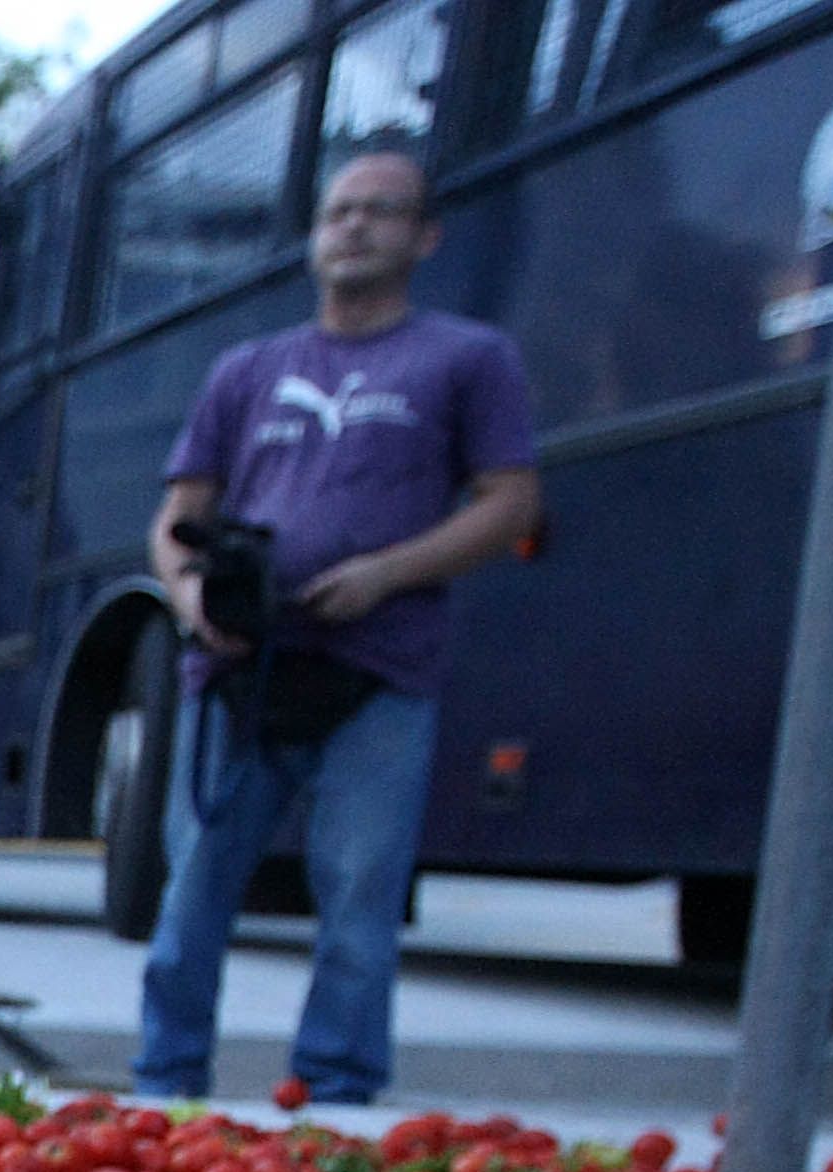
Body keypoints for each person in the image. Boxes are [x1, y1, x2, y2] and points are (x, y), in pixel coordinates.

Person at [135, 145, 541, 1107]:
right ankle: (164, 1083)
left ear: (424, 235)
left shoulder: (467, 360)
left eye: (381, 210)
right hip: (239, 669)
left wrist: (387, 576)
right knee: (192, 889)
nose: (354, 226)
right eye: (338, 212)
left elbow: (512, 503)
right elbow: (176, 515)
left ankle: (338, 1090)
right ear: (314, 238)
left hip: (380, 663)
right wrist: (192, 597)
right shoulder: (247, 371)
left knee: (359, 894)